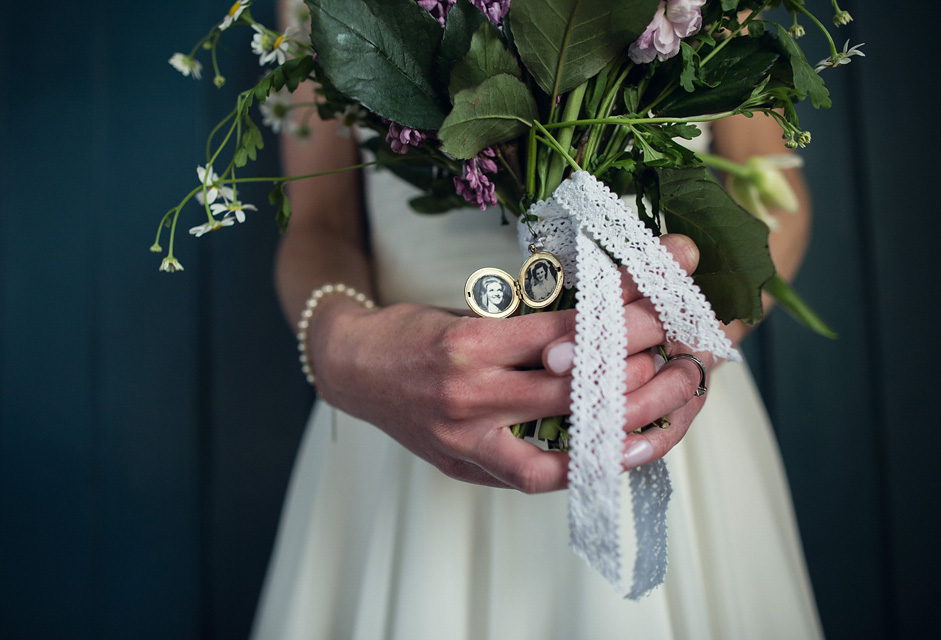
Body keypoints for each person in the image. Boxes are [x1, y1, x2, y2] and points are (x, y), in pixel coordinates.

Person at [253, 29, 821, 640]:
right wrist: (345, 353)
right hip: (401, 405)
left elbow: (775, 192)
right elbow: (320, 223)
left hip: (657, 396)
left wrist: (693, 333)